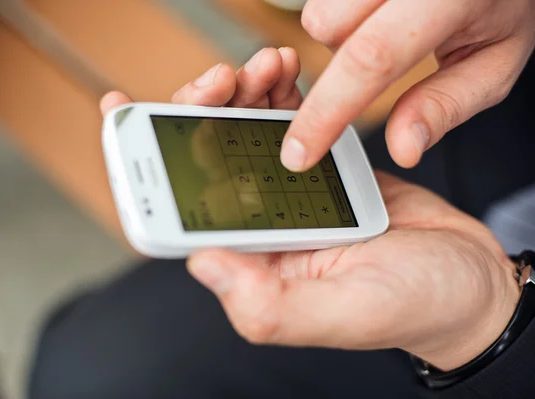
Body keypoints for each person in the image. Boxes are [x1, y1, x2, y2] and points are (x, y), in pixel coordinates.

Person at [29, 1, 535, 398]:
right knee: (85, 361)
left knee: (85, 370)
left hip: (494, 345)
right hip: (485, 150)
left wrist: (485, 328)